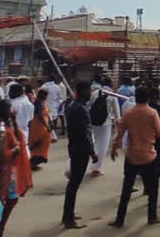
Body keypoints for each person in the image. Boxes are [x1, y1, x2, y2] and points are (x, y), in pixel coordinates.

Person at [108, 86, 160, 228]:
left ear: (135, 97)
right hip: (148, 156)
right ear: (148, 98)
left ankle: (119, 219)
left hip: (132, 156)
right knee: (153, 190)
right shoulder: (152, 113)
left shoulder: (128, 113)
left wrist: (114, 148)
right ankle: (152, 217)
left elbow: (120, 134)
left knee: (126, 190)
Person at [0, 99, 32, 237]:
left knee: (7, 199)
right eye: (8, 109)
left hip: (7, 168)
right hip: (3, 170)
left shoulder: (2, 123)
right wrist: (15, 149)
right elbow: (2, 153)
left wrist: (13, 120)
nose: (11, 112)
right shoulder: (0, 128)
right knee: (7, 199)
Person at [62, 81, 98, 229]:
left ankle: (69, 214)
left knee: (73, 184)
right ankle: (68, 218)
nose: (91, 93)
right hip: (80, 150)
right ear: (84, 92)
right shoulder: (80, 109)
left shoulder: (73, 106)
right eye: (89, 91)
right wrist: (92, 152)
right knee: (74, 184)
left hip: (74, 147)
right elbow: (84, 133)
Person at [89, 78, 121, 177]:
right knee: (103, 146)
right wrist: (118, 129)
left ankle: (90, 161)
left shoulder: (94, 93)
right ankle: (96, 168)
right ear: (111, 84)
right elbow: (117, 115)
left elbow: (88, 106)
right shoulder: (112, 96)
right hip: (105, 123)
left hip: (93, 121)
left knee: (93, 142)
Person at [28, 89, 52, 170]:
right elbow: (40, 116)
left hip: (42, 126)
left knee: (42, 146)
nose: (46, 97)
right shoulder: (38, 103)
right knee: (39, 145)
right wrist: (47, 126)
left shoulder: (42, 103)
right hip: (39, 127)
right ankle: (31, 164)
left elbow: (46, 114)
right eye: (46, 95)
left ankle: (33, 164)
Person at [41, 76, 61, 141]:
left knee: (48, 121)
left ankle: (52, 136)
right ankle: (53, 135)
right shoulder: (57, 87)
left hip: (46, 105)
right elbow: (59, 97)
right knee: (52, 121)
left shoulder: (44, 86)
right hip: (55, 106)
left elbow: (40, 95)